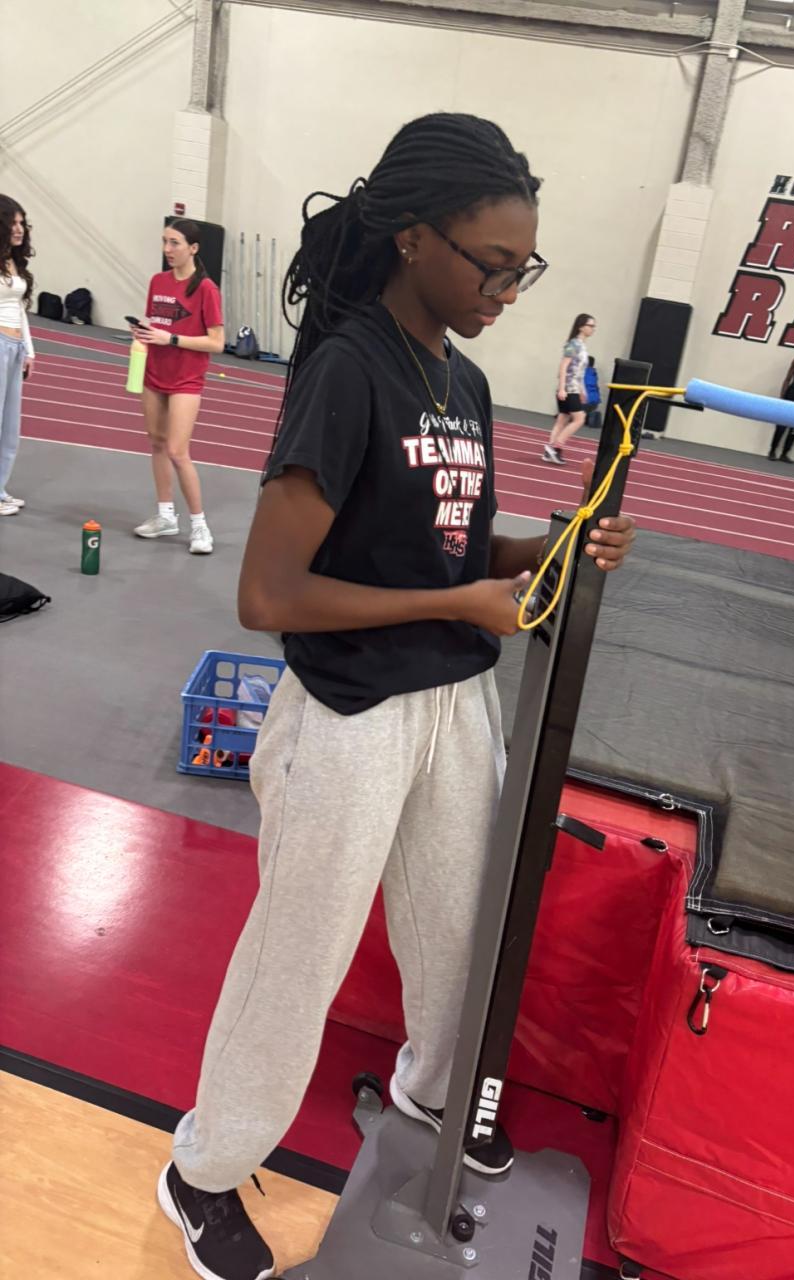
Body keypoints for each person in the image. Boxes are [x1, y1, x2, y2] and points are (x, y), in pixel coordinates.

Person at [156, 113, 636, 1280]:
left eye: (524, 268)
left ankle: (430, 1098)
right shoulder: (349, 369)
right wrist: (461, 600)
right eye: (492, 264)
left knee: (459, 934)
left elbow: (451, 547)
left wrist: (543, 547)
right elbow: (268, 594)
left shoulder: (463, 381)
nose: (507, 290)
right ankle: (203, 1170)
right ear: (415, 238)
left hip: (453, 700)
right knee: (300, 954)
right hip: (350, 715)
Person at [130, 219, 224, 554]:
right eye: (165, 242)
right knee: (156, 443)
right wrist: (144, 331)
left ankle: (200, 526)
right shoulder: (158, 282)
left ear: (193, 248)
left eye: (175, 243)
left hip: (186, 378)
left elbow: (217, 342)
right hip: (154, 373)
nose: (167, 250)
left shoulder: (206, 289)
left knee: (177, 451)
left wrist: (170, 338)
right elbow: (156, 322)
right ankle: (166, 515)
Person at [0, 195, 35, 516]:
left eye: (22, 223)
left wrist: (29, 350)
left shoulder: (15, 262)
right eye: (12, 222)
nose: (19, 229)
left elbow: (20, 309)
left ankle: (0, 489)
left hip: (15, 347)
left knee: (10, 426)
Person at [543, 312, 596, 465]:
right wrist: (562, 389)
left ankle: (549, 452)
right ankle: (556, 447)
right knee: (579, 419)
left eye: (594, 326)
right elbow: (564, 366)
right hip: (568, 388)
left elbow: (578, 371)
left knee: (562, 419)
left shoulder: (582, 346)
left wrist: (582, 390)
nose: (593, 329)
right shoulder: (573, 344)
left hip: (574, 387)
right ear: (581, 327)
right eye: (590, 326)